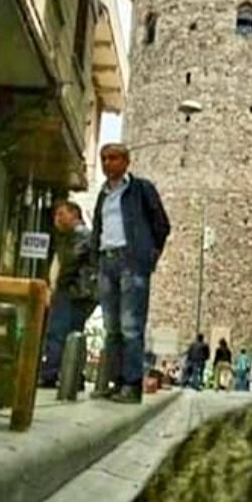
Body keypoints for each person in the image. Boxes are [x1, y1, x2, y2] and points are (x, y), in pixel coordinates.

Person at [90, 143, 171, 404]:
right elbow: (98, 228)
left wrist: (149, 254)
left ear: (126, 161)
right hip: (107, 261)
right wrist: (96, 261)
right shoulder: (103, 195)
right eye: (103, 159)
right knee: (111, 327)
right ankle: (114, 382)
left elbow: (162, 224)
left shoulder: (141, 189)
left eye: (113, 158)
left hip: (131, 262)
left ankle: (132, 384)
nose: (107, 163)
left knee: (131, 326)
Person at [39, 201, 97, 389]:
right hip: (81, 292)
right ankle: (73, 376)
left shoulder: (78, 235)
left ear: (74, 214)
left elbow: (71, 261)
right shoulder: (74, 236)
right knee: (74, 333)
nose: (58, 218)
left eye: (62, 214)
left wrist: (56, 287)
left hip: (72, 290)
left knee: (58, 332)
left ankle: (50, 372)